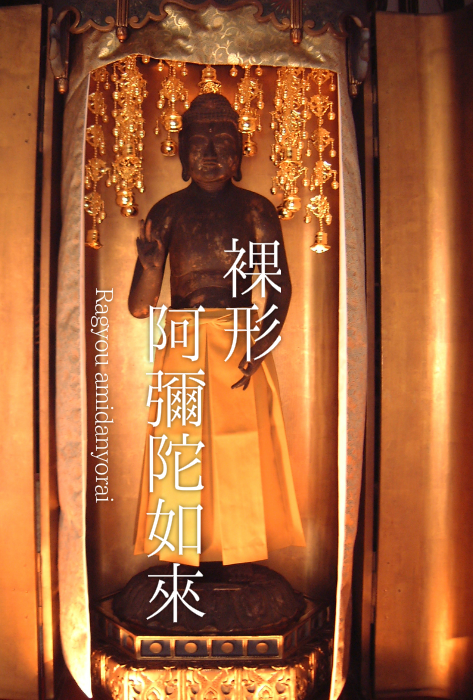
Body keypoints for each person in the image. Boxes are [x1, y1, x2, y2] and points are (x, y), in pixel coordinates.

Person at [129, 93, 305, 567]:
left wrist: (261, 343)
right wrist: (151, 268)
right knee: (181, 441)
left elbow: (279, 287)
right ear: (182, 154)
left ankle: (241, 550)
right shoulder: (167, 211)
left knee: (241, 442)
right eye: (199, 145)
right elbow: (140, 308)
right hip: (183, 338)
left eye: (223, 144)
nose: (210, 155)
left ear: (240, 155)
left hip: (239, 335)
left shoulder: (255, 209)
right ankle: (182, 550)